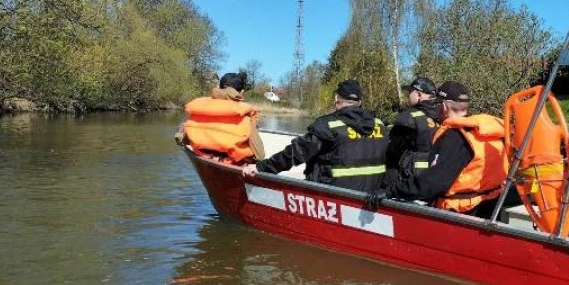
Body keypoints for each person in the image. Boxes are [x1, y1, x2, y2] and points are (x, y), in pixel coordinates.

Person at [365, 81, 508, 218]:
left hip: (460, 214)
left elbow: (431, 184)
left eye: (437, 105)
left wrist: (391, 191)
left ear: (444, 106)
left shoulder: (456, 137)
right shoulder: (490, 133)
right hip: (490, 206)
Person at [242, 80, 388, 191]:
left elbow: (297, 153)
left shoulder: (328, 125)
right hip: (370, 195)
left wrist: (262, 168)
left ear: (336, 99)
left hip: (334, 195)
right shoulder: (380, 125)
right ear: (360, 102)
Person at [178, 72, 265, 164]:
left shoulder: (201, 108)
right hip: (232, 162)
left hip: (202, 155)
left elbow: (184, 139)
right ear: (242, 92)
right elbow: (260, 156)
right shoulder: (246, 115)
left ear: (219, 88)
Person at [383, 76, 441, 186]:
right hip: (434, 178)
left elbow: (393, 151)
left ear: (419, 94)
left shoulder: (408, 117)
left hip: (408, 181)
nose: (407, 96)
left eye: (410, 92)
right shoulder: (442, 116)